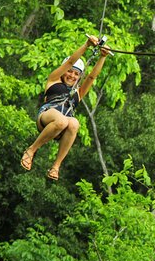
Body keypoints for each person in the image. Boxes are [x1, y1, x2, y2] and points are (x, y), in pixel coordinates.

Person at [21, 34, 111, 180]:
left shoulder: (79, 92)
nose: (72, 76)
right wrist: (86, 45)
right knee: (63, 120)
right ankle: (31, 150)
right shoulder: (53, 80)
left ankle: (56, 166)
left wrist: (103, 57)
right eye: (70, 72)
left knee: (74, 123)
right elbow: (70, 62)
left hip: (62, 126)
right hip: (47, 116)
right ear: (64, 72)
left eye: (76, 74)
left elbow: (92, 77)